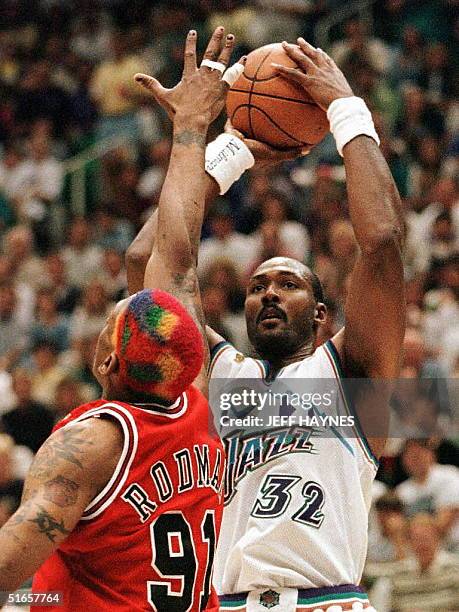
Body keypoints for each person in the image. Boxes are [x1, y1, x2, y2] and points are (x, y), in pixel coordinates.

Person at [127, 39, 405, 611]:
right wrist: (228, 152)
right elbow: (148, 259)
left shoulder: (353, 373)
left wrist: (345, 110)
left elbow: (381, 243)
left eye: (288, 284)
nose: (269, 293)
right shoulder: (219, 372)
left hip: (328, 599)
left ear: (323, 315)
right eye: (258, 287)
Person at [0, 27, 239, 611]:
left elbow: (9, 566)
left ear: (106, 359)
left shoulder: (92, 442)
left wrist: (193, 131)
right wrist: (201, 138)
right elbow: (169, 259)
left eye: (109, 319)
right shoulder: (196, 404)